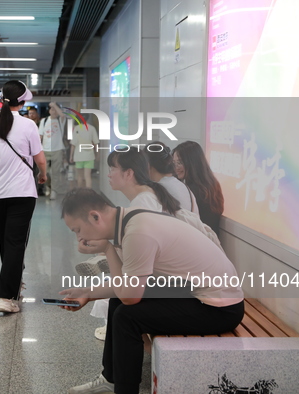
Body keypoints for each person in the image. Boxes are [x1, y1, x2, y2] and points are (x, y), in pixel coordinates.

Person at [59, 188, 244, 394]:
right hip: (195, 291)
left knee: (126, 316)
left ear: (95, 216)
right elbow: (126, 287)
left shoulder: (137, 232)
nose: (79, 238)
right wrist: (88, 292)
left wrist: (107, 250)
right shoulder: (131, 219)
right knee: (117, 302)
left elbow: (130, 297)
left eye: (77, 230)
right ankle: (110, 380)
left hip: (220, 309)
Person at [0, 80, 47, 313]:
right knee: (16, 243)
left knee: (5, 242)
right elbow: (39, 159)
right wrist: (44, 175)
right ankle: (5, 296)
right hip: (22, 192)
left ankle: (14, 285)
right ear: (23, 100)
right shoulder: (28, 125)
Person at [173, 141, 224, 235]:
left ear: (192, 162)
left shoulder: (193, 190)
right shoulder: (211, 184)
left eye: (180, 162)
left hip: (199, 241)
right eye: (174, 162)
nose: (176, 167)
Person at [38, 102, 67, 200]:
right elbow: (40, 135)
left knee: (55, 172)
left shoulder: (60, 120)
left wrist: (54, 105)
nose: (54, 111)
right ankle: (48, 187)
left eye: (55, 110)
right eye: (52, 109)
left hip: (57, 149)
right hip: (45, 150)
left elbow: (62, 114)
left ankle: (54, 191)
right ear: (49, 111)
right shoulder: (44, 121)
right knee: (44, 171)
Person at [69, 116, 99, 189]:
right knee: (88, 176)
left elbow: (73, 144)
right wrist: (97, 154)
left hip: (78, 156)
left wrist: (71, 156)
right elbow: (96, 143)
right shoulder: (92, 128)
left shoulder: (77, 128)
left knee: (79, 176)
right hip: (89, 156)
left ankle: (80, 192)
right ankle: (88, 193)